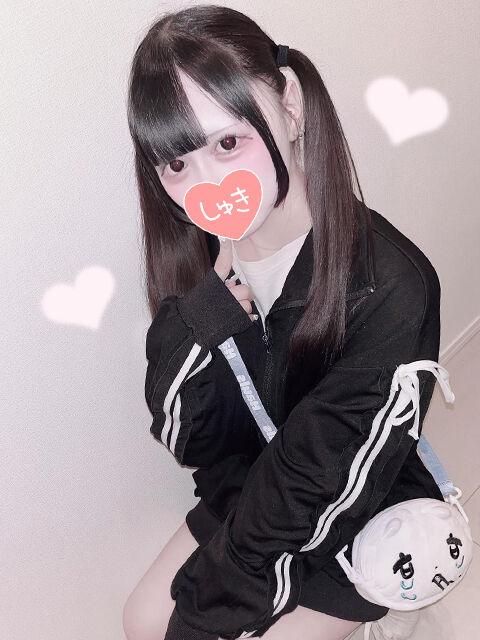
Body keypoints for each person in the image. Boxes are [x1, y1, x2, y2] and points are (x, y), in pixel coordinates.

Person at [122, 5, 445, 640]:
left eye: (227, 143)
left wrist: (209, 612)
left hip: (353, 506)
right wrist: (204, 320)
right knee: (141, 620)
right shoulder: (198, 255)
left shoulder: (389, 285)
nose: (207, 185)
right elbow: (186, 439)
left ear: (290, 105)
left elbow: (318, 478)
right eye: (176, 164)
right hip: (250, 486)